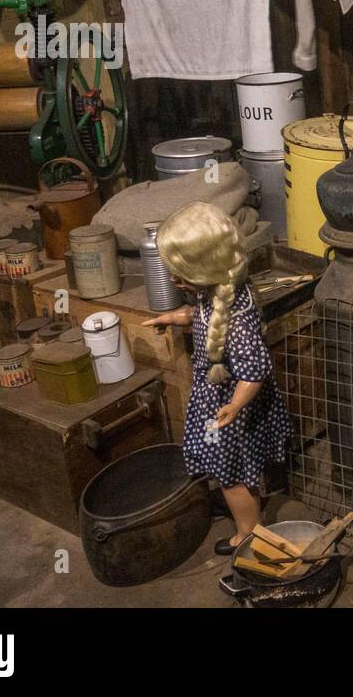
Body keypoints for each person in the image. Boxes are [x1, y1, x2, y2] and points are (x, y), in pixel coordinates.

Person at [141, 201, 289, 556]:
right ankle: (250, 510)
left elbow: (254, 372)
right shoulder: (224, 292)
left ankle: (247, 533)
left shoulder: (236, 325)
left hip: (227, 409)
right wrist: (180, 317)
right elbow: (206, 314)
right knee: (241, 469)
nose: (173, 280)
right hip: (224, 403)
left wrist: (234, 406)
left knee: (231, 476)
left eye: (179, 275)